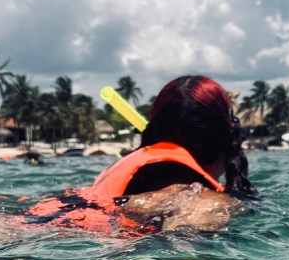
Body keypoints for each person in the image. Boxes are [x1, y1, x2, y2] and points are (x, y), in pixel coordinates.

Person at [26, 75, 255, 235]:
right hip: (55, 236)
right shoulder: (200, 198)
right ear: (224, 139)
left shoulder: (130, 167)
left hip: (30, 221)